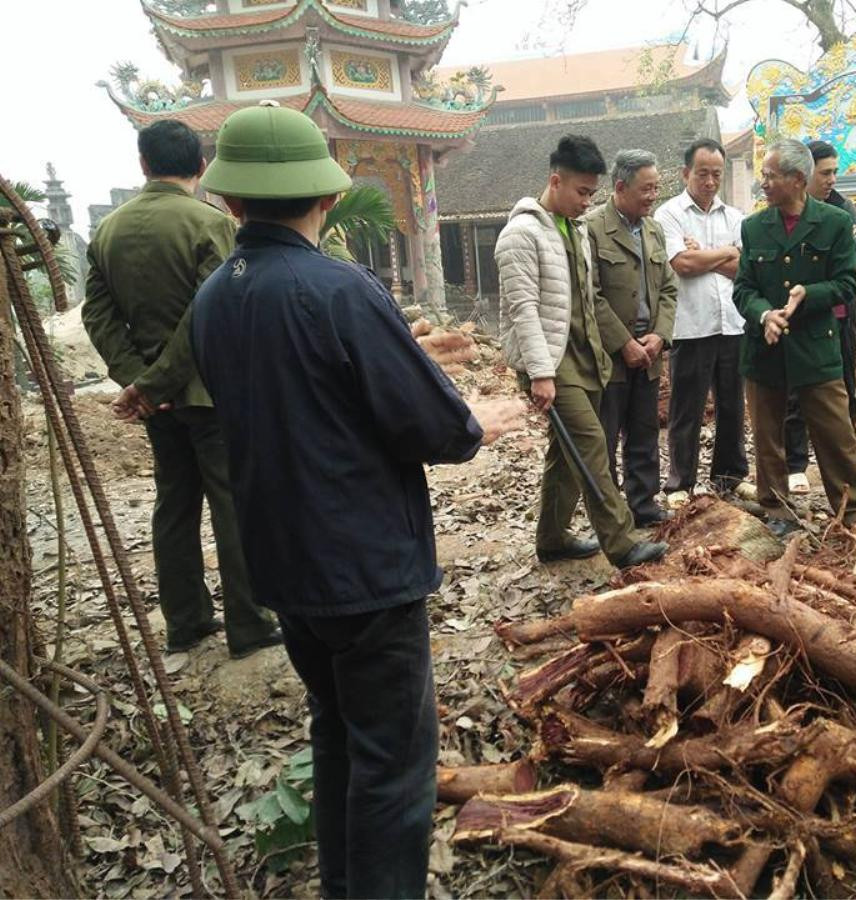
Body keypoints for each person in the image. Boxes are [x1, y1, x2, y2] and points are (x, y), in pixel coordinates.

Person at [186, 101, 523, 898]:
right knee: (393, 764)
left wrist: (403, 352)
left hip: (282, 559)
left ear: (231, 200)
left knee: (336, 730)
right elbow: (424, 423)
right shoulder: (339, 288)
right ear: (329, 194)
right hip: (364, 563)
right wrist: (477, 422)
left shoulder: (213, 299)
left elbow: (302, 390)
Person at [82, 118, 280, 659]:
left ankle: (187, 621)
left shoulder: (109, 231)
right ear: (200, 167)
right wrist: (157, 382)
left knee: (174, 505)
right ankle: (249, 622)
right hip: (212, 394)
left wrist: (138, 381)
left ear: (143, 164)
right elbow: (208, 315)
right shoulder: (210, 224)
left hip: (156, 401)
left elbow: (96, 314)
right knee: (232, 504)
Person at [496, 134, 668, 569]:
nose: (587, 201)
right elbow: (524, 310)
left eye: (592, 193)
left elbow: (587, 301)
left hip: (584, 353)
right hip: (551, 360)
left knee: (566, 452)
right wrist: (539, 373)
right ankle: (623, 542)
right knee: (591, 443)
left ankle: (552, 538)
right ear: (556, 181)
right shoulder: (521, 234)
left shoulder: (574, 228)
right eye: (582, 192)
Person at [733, 138, 856, 541]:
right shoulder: (753, 227)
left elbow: (846, 282)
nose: (763, 183)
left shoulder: (834, 223)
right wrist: (764, 314)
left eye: (770, 175)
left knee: (835, 431)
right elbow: (744, 288)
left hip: (816, 346)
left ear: (797, 180)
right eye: (763, 175)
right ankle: (777, 509)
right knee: (769, 435)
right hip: (764, 348)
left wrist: (806, 294)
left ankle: (853, 510)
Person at [654, 138, 751, 503]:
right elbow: (683, 265)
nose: (710, 182)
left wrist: (707, 254)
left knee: (732, 406)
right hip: (690, 326)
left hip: (732, 324)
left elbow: (744, 269)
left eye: (716, 174)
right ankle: (681, 483)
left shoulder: (735, 217)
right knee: (686, 409)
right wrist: (727, 252)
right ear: (685, 173)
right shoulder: (670, 214)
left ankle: (729, 476)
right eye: (702, 173)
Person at [586, 149, 677, 527]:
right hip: (612, 356)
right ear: (621, 186)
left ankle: (643, 505)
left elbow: (669, 289)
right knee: (604, 438)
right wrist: (624, 343)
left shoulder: (654, 230)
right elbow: (590, 294)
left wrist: (660, 335)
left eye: (656, 187)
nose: (652, 195)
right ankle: (608, 516)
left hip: (650, 351)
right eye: (646, 188)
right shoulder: (591, 228)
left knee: (643, 433)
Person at [784, 140, 856, 493]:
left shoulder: (842, 206)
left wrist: (824, 252)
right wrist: (832, 251)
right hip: (802, 315)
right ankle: (795, 464)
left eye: (835, 172)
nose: (832, 179)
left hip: (841, 315)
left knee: (845, 386)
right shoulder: (788, 211)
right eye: (825, 173)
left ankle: (846, 462)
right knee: (797, 390)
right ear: (804, 176)